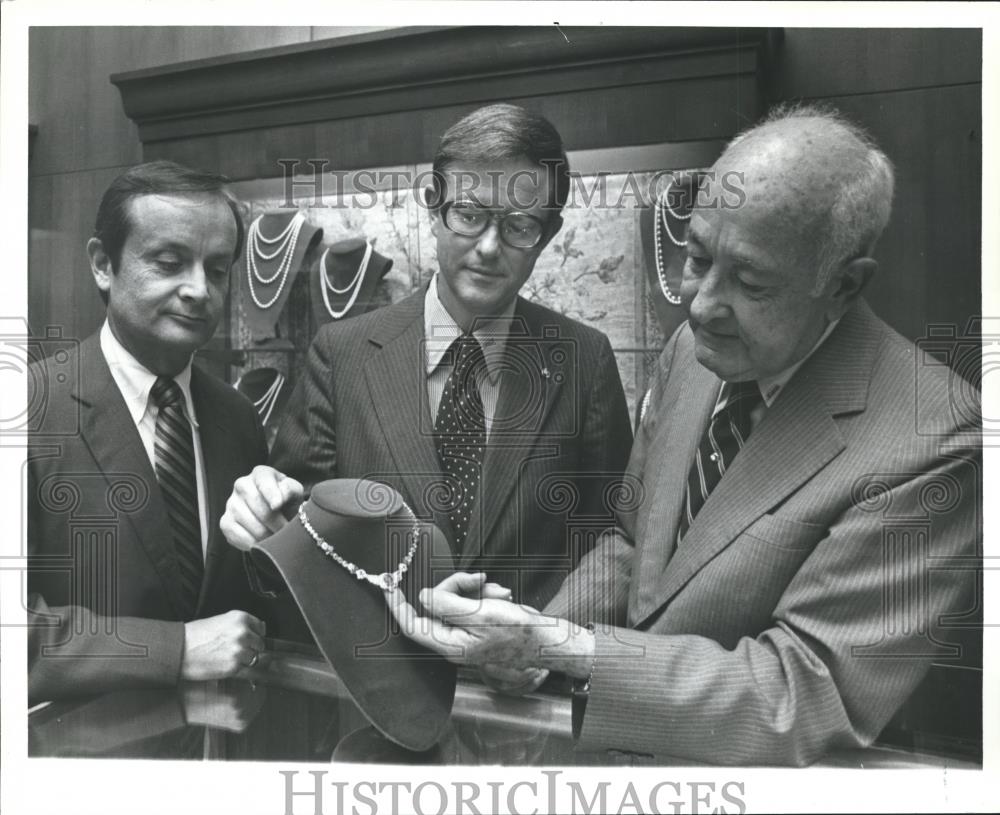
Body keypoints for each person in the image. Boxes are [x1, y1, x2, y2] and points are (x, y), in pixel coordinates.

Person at [389, 105, 981, 766]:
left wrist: (573, 651)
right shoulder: (695, 349)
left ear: (843, 284)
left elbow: (806, 691)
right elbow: (632, 540)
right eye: (697, 256)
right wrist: (538, 638)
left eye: (750, 282)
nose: (699, 305)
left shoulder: (934, 438)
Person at [221, 104, 632, 610]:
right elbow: (298, 541)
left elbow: (611, 540)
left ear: (547, 234)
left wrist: (544, 642)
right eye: (467, 214)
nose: (487, 246)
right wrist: (265, 525)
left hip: (526, 683)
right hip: (379, 673)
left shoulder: (583, 361)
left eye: (519, 225)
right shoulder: (341, 355)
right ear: (434, 209)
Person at [28, 161, 270, 703]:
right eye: (169, 263)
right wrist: (175, 648)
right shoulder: (26, 412)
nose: (199, 290)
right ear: (102, 265)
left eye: (218, 269)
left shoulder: (237, 418)